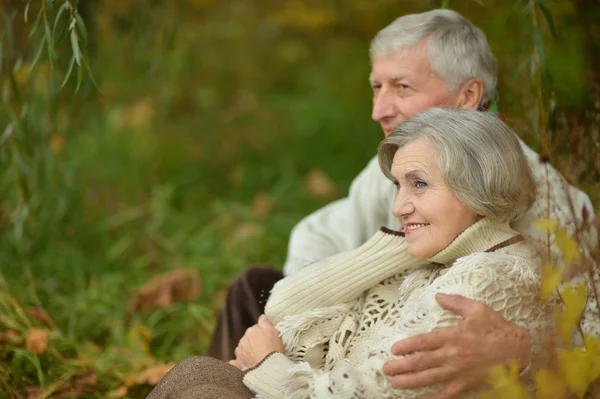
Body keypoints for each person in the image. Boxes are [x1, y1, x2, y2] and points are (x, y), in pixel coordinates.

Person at [206, 9, 598, 398]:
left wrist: (523, 351)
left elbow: (592, 341)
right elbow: (322, 236)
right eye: (377, 87)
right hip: (355, 347)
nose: (379, 109)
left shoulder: (553, 206)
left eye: (402, 87)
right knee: (251, 290)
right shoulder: (396, 168)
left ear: (468, 96)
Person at [149, 108, 550, 398]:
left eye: (420, 184)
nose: (399, 207)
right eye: (398, 186)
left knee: (200, 390)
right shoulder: (437, 262)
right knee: (196, 373)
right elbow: (281, 306)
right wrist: (400, 249)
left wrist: (266, 366)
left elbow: (370, 393)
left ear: (475, 187)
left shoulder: (483, 279)